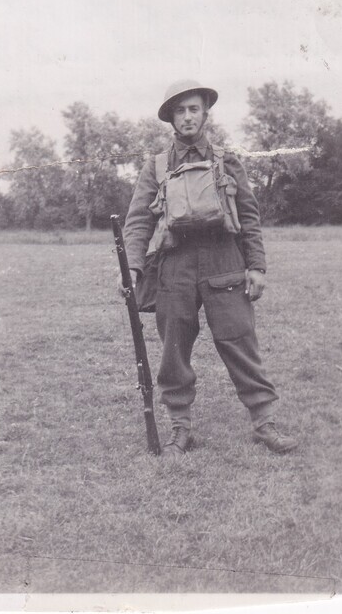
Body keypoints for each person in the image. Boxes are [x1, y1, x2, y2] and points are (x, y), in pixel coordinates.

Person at [121, 81, 298, 458]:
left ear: (205, 114)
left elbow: (248, 215)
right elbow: (138, 222)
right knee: (174, 349)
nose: (188, 116)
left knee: (240, 342)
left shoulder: (227, 159)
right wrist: (132, 269)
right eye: (180, 110)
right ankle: (180, 428)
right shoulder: (155, 166)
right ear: (171, 117)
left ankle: (264, 422)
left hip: (225, 261)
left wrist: (257, 266)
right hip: (175, 266)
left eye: (194, 109)